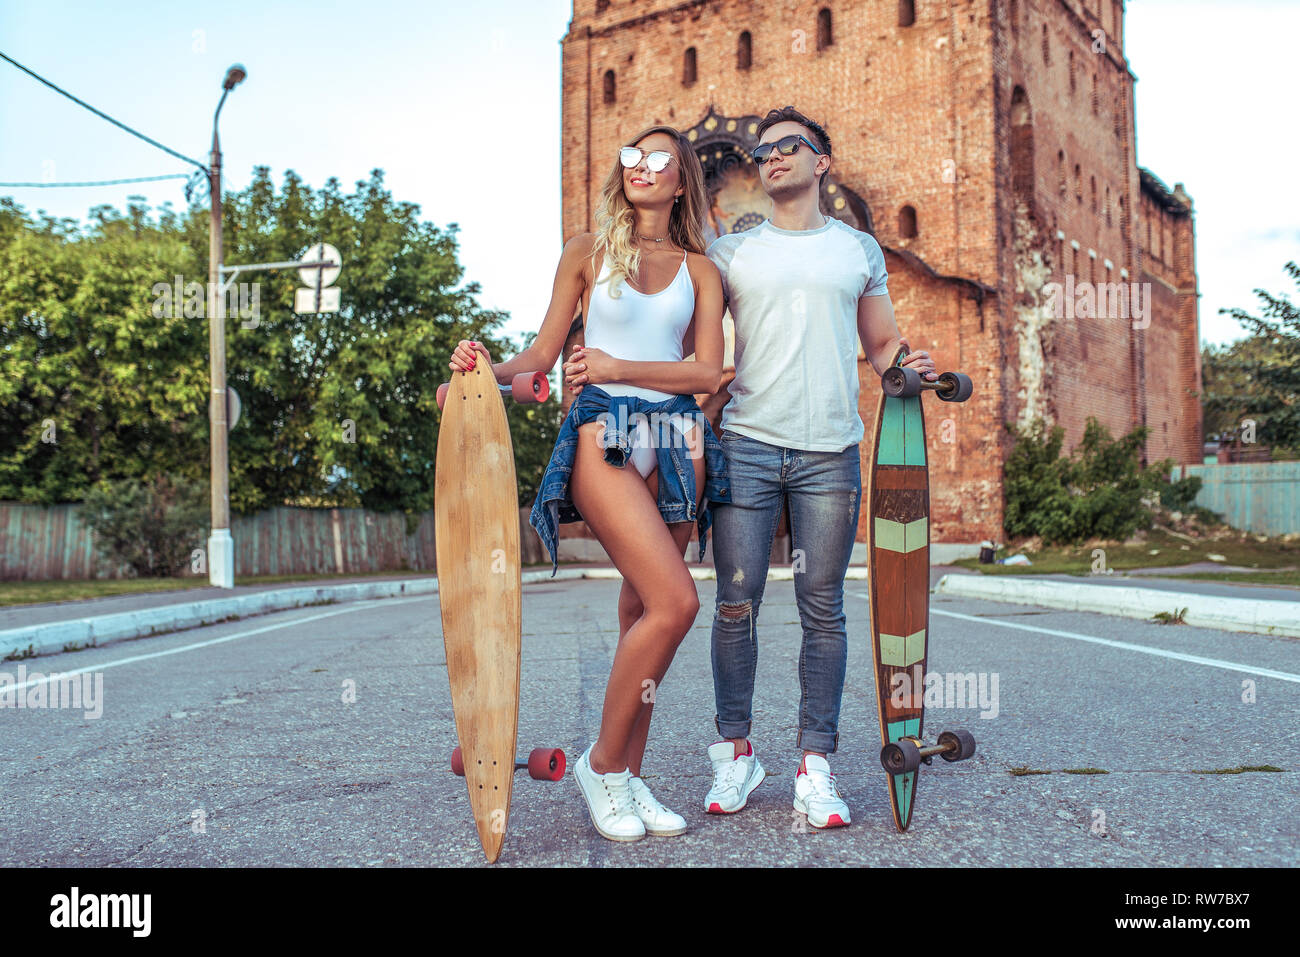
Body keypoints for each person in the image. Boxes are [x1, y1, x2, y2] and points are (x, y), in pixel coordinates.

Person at [446, 126, 730, 843]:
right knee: (678, 601)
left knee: (643, 615)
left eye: (659, 158)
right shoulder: (586, 251)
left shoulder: (700, 270)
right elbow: (543, 354)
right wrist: (481, 376)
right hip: (602, 430)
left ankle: (630, 777)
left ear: (681, 179)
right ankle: (601, 763)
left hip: (678, 442)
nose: (641, 167)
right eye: (632, 157)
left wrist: (614, 366)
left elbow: (706, 374)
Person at [699, 106, 938, 828]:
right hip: (745, 442)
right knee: (735, 603)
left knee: (823, 610)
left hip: (829, 451)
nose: (771, 157)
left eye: (788, 146)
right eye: (763, 150)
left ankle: (815, 766)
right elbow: (700, 349)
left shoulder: (858, 250)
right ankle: (736, 751)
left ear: (822, 161)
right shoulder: (731, 253)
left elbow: (882, 343)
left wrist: (910, 365)